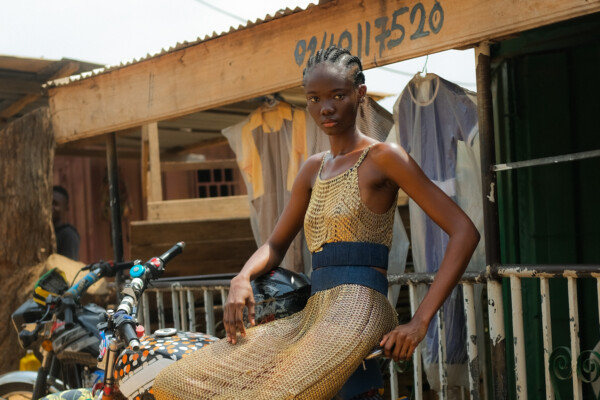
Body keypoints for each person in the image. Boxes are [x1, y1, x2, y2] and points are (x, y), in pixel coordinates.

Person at [153, 46, 480, 400]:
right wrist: (241, 277)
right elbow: (275, 245)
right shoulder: (313, 168)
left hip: (361, 306)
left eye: (338, 95)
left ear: (360, 94)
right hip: (314, 309)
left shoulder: (385, 157)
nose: (325, 107)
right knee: (175, 381)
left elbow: (464, 231)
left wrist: (419, 322)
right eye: (314, 98)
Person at [52, 185, 80, 261]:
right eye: (49, 203)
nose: (51, 207)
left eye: (55, 204)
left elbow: (67, 268)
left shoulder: (68, 234)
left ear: (66, 208)